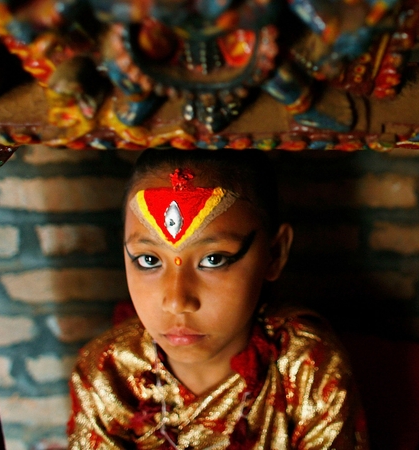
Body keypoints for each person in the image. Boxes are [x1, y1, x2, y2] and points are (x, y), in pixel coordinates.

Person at [68, 149, 368, 449]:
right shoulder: (109, 371)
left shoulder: (306, 367)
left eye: (213, 259)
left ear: (274, 253)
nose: (177, 301)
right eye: (149, 260)